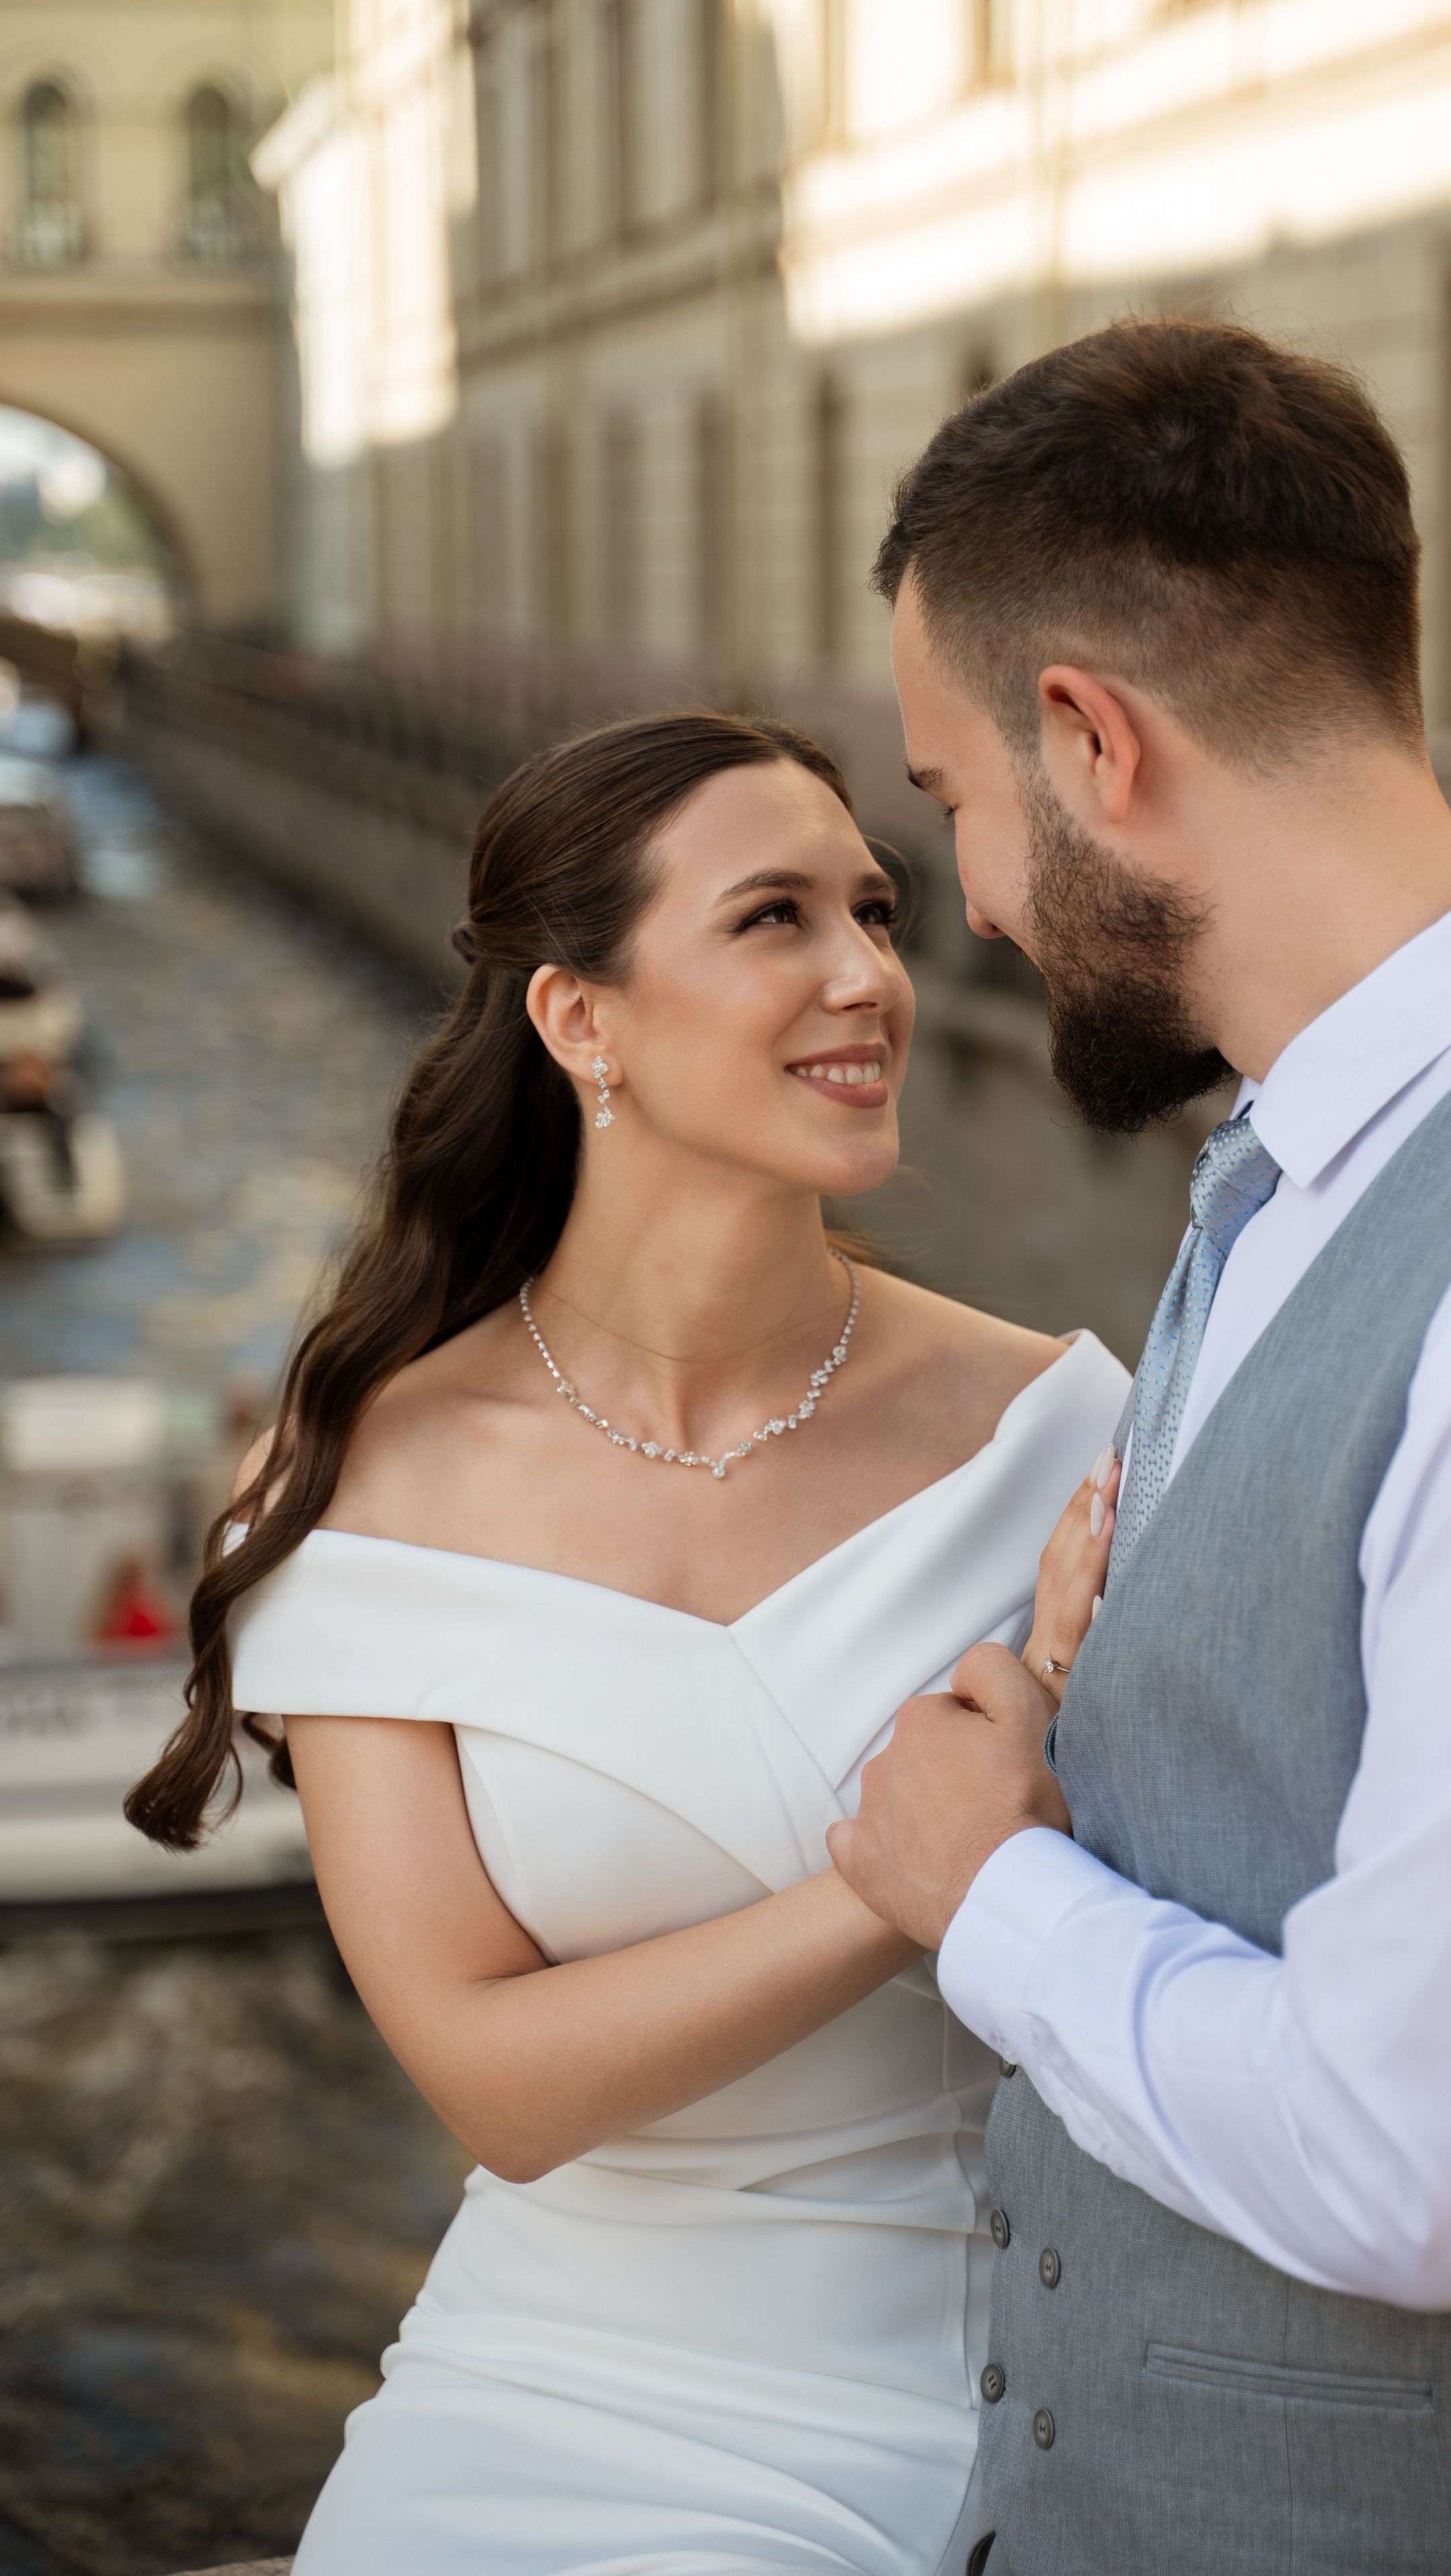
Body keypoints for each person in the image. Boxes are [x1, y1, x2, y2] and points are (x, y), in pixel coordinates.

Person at [829, 318, 1451, 2574]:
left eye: (946, 808)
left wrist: (984, 1882)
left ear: (1091, 744)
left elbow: (1425, 2163)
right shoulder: (1292, 1170)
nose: (980, 912)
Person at [126, 711, 1130, 2576]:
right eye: (773, 919)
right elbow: (499, 2086)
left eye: (877, 909)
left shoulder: (1060, 1438)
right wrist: (908, 1870)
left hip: (980, 2391)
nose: (867, 979)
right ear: (581, 1019)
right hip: (534, 2394)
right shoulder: (363, 1482)